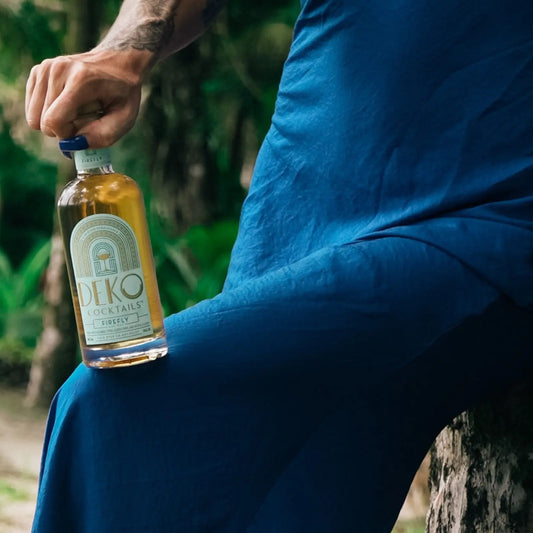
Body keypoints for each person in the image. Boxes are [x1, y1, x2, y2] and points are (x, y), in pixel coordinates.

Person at [26, 0, 533, 531]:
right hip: (300, 193)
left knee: (115, 412)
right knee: (279, 496)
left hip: (483, 202)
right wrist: (123, 53)